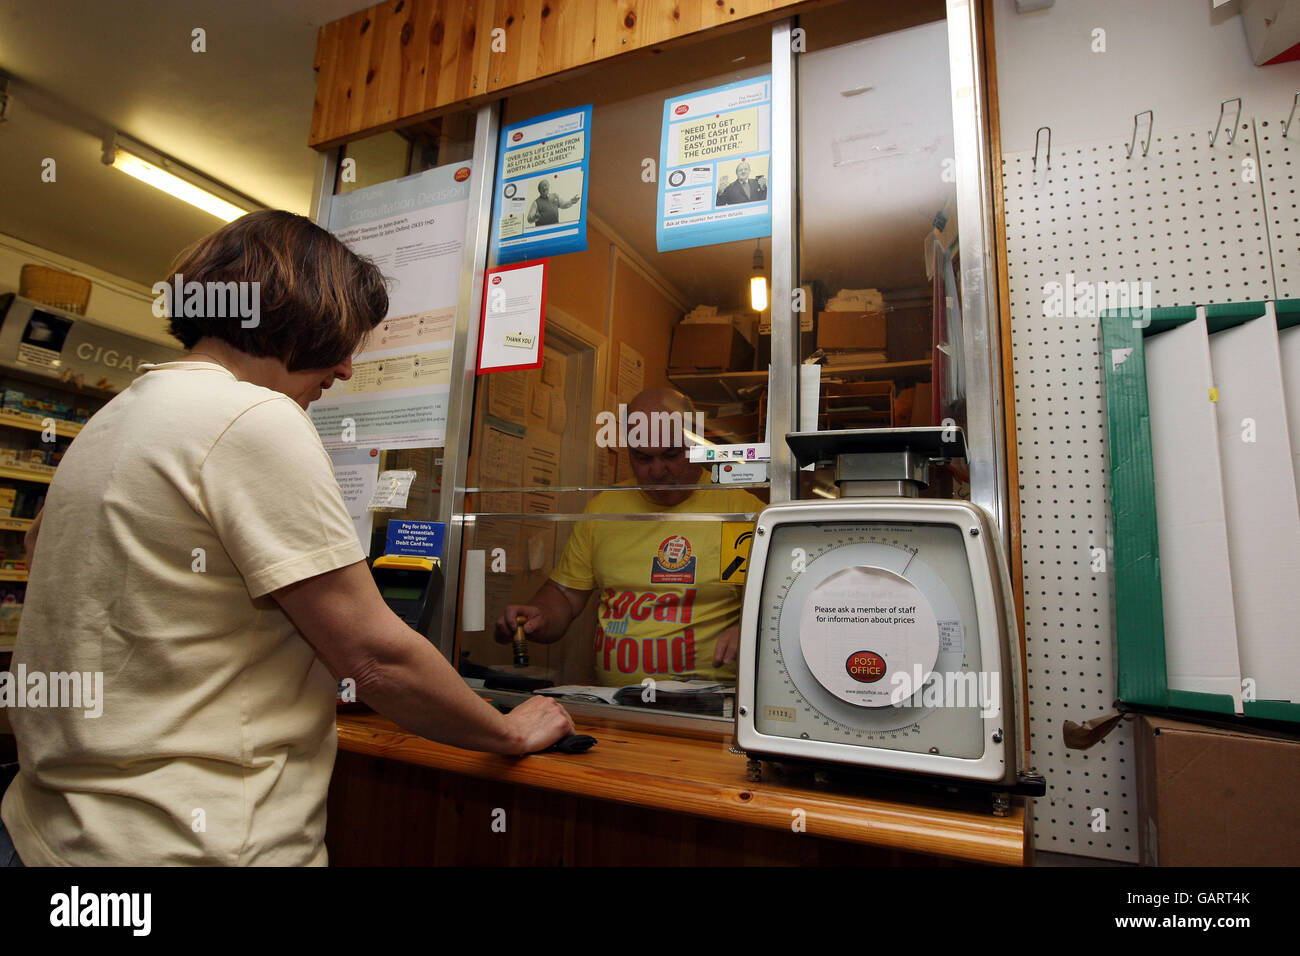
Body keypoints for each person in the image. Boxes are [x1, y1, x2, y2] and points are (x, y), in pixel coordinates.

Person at [0, 211, 572, 867]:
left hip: (47, 831)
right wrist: (504, 731)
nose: (349, 369)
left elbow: (54, 562)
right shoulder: (253, 417)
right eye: (344, 340)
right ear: (303, 316)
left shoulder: (116, 417)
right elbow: (374, 657)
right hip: (185, 847)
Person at [494, 388, 764, 687]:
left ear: (695, 441)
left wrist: (751, 627)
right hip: (618, 705)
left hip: (709, 706)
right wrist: (539, 616)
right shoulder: (604, 509)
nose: (658, 471)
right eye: (643, 458)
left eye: (671, 455)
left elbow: (777, 606)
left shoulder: (739, 513)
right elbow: (566, 596)